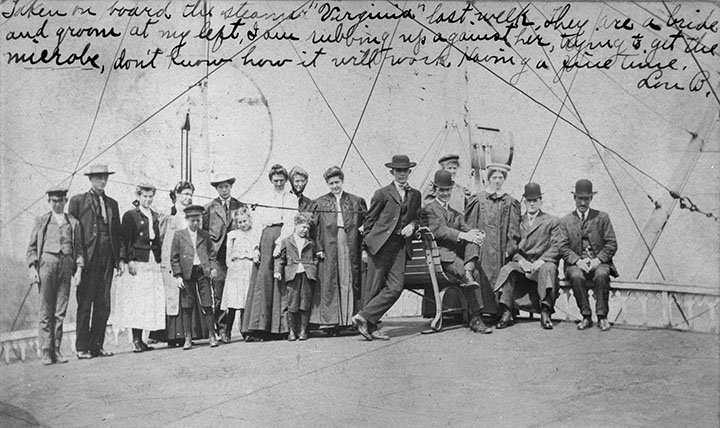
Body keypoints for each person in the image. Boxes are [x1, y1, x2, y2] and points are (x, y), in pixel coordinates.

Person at [352, 155, 421, 341]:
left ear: (409, 172)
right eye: (398, 171)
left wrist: (412, 226)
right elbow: (368, 222)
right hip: (379, 246)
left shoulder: (415, 195)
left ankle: (364, 316)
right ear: (392, 172)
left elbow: (417, 218)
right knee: (373, 288)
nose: (402, 174)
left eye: (405, 170)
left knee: (395, 287)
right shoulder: (381, 193)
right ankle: (371, 328)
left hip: (400, 247)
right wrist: (366, 247)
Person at [420, 170, 492, 333]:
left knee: (473, 240)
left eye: (447, 190)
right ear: (435, 190)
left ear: (452, 190)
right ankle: (475, 319)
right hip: (441, 259)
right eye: (441, 190)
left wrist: (477, 234)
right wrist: (465, 235)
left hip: (454, 259)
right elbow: (438, 230)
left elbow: (466, 228)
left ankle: (467, 272)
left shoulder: (455, 213)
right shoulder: (428, 210)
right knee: (475, 274)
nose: (445, 193)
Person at [68, 164, 124, 359]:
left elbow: (117, 234)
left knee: (104, 304)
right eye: (98, 177)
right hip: (88, 260)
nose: (102, 181)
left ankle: (96, 346)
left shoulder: (112, 204)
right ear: (90, 179)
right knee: (85, 303)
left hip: (107, 258)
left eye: (105, 177)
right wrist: (77, 263)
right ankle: (82, 347)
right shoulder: (78, 201)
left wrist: (120, 260)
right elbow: (73, 235)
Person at [26, 188, 84, 365]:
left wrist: (79, 269)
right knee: (45, 310)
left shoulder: (73, 222)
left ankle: (56, 350)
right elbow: (32, 248)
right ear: (49, 202)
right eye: (53, 201)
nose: (57, 204)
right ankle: (45, 351)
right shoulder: (42, 221)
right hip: (46, 265)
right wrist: (32, 268)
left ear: (66, 201)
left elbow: (79, 249)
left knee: (60, 311)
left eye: (60, 200)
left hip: (66, 266)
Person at [494, 182, 562, 330]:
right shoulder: (517, 221)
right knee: (508, 269)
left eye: (535, 200)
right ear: (524, 201)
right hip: (523, 264)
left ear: (541, 202)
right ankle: (506, 312)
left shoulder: (551, 221)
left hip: (542, 263)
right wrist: (521, 260)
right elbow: (512, 246)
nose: (532, 204)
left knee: (549, 268)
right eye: (529, 200)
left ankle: (546, 312)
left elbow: (557, 246)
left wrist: (542, 260)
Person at [151, 181, 210, 347]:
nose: (188, 197)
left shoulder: (192, 216)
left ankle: (189, 334)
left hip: (189, 262)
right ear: (176, 195)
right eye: (185, 194)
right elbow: (160, 238)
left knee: (189, 295)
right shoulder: (168, 216)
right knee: (173, 296)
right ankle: (172, 335)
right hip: (170, 260)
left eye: (190, 194)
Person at [242, 164, 297, 341]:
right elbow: (258, 224)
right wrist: (255, 248)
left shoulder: (290, 199)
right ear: (271, 181)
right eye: (275, 181)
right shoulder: (264, 197)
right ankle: (259, 328)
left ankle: (279, 328)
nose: (279, 183)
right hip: (265, 239)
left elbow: (290, 222)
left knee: (281, 280)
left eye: (282, 180)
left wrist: (279, 243)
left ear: (286, 180)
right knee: (263, 280)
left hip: (283, 237)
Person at [311, 166, 367, 335]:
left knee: (349, 278)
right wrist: (319, 248)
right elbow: (316, 228)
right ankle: (333, 322)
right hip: (329, 243)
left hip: (350, 242)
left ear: (342, 181)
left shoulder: (356, 201)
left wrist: (363, 248)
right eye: (331, 183)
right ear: (327, 184)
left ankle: (351, 318)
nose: (335, 186)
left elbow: (367, 224)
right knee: (331, 280)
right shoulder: (320, 202)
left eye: (337, 182)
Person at [558, 179, 618, 332]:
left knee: (602, 275)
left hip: (599, 262)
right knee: (576, 276)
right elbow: (562, 247)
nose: (583, 202)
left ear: (591, 199)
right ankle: (585, 315)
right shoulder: (565, 221)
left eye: (586, 199)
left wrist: (598, 260)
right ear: (574, 199)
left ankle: (602, 316)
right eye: (580, 198)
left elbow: (611, 244)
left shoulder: (602, 217)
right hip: (577, 264)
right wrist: (577, 261)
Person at [464, 163, 521, 317]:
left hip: (502, 248)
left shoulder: (509, 201)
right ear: (489, 179)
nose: (497, 181)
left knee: (502, 275)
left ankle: (500, 311)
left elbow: (514, 228)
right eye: (494, 177)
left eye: (500, 178)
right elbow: (470, 225)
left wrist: (510, 248)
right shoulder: (478, 199)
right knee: (483, 275)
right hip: (483, 248)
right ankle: (482, 311)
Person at [114, 183, 165, 352]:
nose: (148, 200)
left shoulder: (155, 216)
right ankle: (136, 339)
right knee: (137, 299)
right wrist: (129, 260)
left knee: (148, 300)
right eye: (145, 196)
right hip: (138, 259)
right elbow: (125, 240)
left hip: (152, 259)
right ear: (138, 196)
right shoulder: (130, 216)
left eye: (151, 196)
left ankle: (143, 339)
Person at [170, 205, 219, 349]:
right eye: (192, 221)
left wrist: (213, 268)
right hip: (187, 274)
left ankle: (212, 335)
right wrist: (178, 276)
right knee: (187, 306)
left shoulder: (204, 235)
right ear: (186, 220)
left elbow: (211, 255)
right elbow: (174, 257)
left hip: (202, 273)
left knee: (207, 303)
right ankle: (188, 338)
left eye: (198, 220)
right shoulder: (179, 235)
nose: (195, 223)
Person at [203, 173, 244, 343]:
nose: (224, 190)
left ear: (231, 187)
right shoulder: (209, 207)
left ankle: (242, 329)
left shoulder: (239, 205)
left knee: (237, 292)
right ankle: (221, 330)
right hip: (218, 257)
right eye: (221, 187)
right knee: (219, 294)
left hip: (235, 256)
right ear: (216, 189)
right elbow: (204, 234)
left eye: (226, 186)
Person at [274, 212, 318, 341]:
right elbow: (280, 259)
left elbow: (315, 257)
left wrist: (312, 266)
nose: (305, 230)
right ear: (296, 225)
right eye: (303, 227)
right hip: (292, 275)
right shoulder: (286, 241)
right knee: (292, 303)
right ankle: (292, 331)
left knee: (305, 302)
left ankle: (303, 331)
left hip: (306, 275)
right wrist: (278, 271)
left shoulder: (310, 242)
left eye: (308, 228)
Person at [221, 208, 260, 343]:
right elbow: (228, 255)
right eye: (240, 222)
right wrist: (230, 267)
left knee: (245, 301)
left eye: (245, 221)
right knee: (233, 302)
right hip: (236, 270)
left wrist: (255, 255)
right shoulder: (232, 235)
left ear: (249, 220)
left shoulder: (254, 233)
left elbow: (256, 248)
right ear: (237, 223)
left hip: (248, 268)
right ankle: (227, 332)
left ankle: (246, 332)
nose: (243, 224)